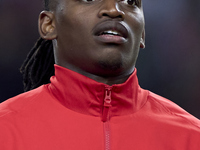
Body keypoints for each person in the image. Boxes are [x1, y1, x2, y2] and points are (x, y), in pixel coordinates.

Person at [0, 0, 200, 149]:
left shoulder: (192, 138)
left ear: (143, 33)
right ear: (49, 24)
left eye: (130, 1)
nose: (114, 10)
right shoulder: (5, 131)